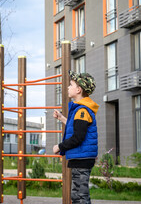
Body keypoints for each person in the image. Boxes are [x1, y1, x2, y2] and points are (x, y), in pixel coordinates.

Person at [53, 71, 99, 204]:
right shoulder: (81, 110)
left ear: (78, 90)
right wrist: (62, 118)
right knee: (77, 195)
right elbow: (77, 127)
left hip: (82, 159)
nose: (68, 87)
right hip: (80, 158)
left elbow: (78, 137)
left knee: (80, 197)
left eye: (71, 85)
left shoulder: (82, 111)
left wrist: (59, 147)